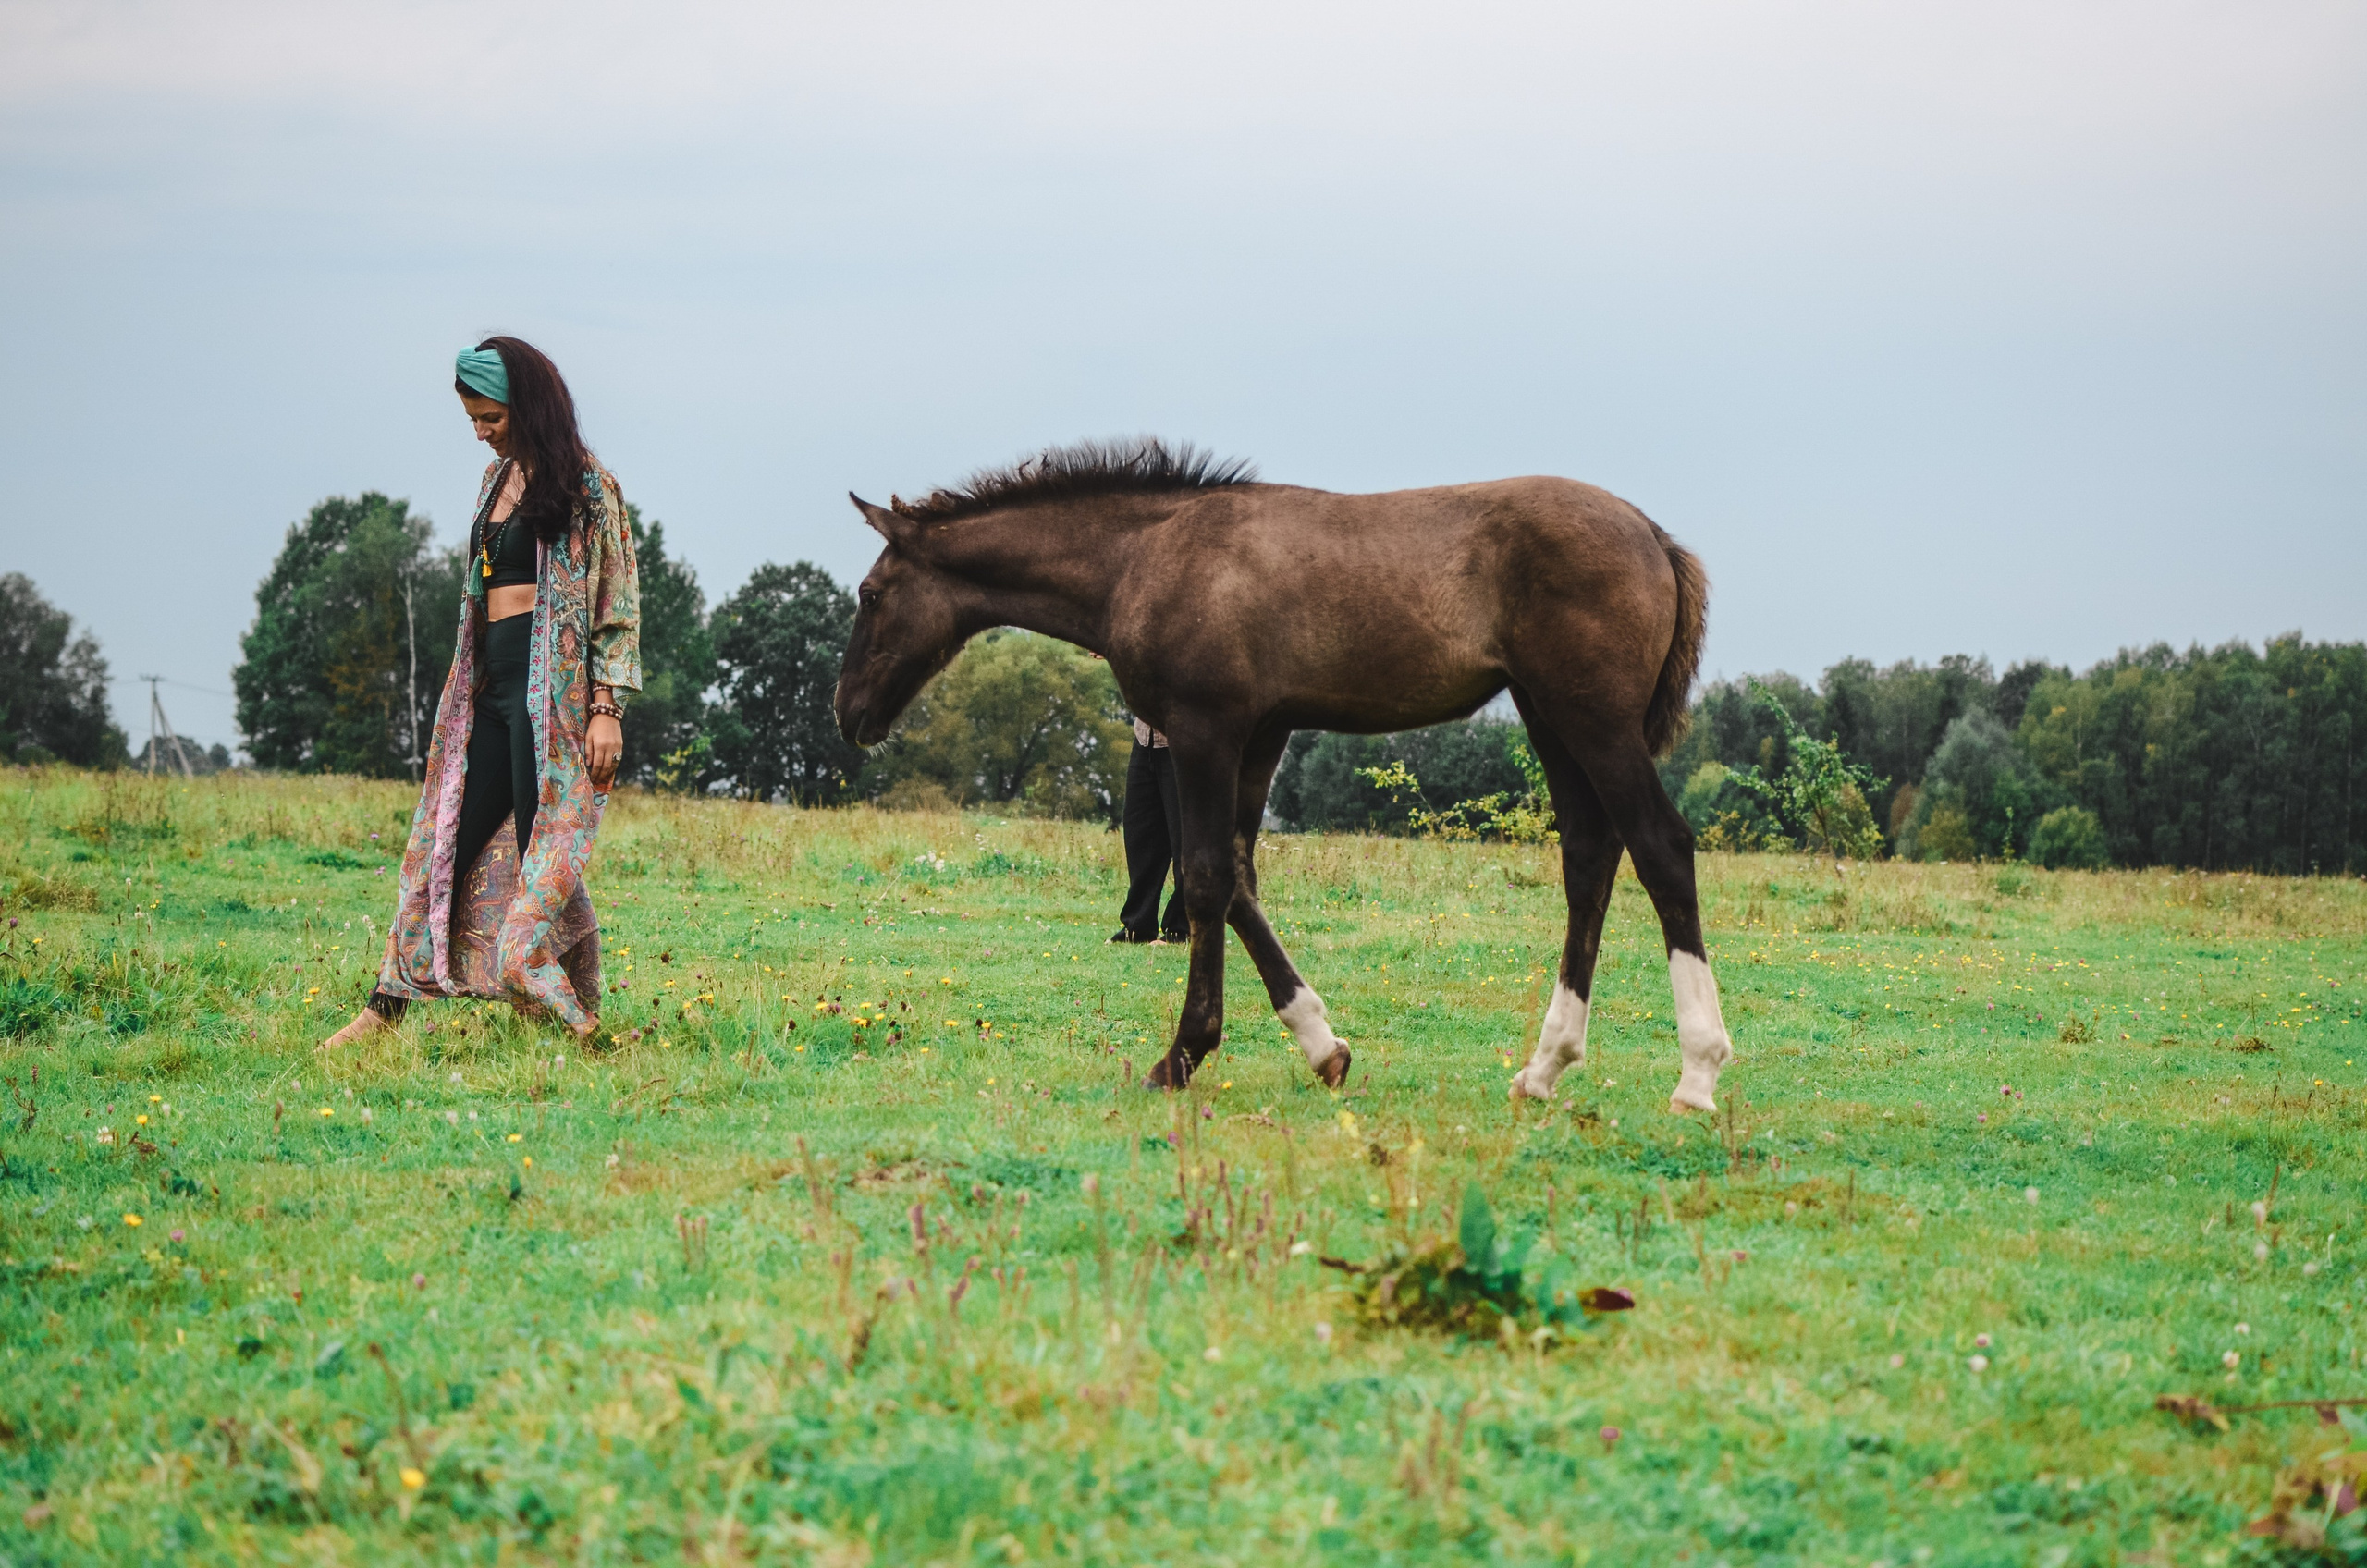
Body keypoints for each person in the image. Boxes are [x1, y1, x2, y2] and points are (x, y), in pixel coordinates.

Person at [323, 336, 640, 1047]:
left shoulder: (590, 487)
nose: (480, 432)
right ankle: (385, 1008)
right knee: (442, 850)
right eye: (473, 419)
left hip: (551, 711)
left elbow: (618, 604)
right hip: (488, 701)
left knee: (541, 862)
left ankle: (573, 1022)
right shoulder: (494, 485)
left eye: (490, 417)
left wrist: (605, 707)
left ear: (527, 406)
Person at [1112, 716, 1188, 943]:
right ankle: (1137, 927)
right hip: (1146, 740)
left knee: (1187, 842)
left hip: (1186, 742)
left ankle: (1181, 930)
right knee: (1141, 836)